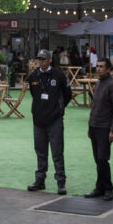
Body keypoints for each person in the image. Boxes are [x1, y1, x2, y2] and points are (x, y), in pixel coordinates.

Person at [26, 49, 72, 195]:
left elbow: (68, 94)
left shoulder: (59, 75)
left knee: (57, 153)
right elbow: (34, 94)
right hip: (38, 121)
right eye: (39, 59)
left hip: (55, 121)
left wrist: (58, 109)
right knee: (40, 152)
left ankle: (61, 183)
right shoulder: (33, 76)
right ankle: (40, 181)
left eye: (44, 59)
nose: (41, 61)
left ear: (50, 59)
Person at [85, 58, 113, 200]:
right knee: (98, 160)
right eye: (97, 66)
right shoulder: (99, 82)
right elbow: (95, 106)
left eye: (101, 66)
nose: (98, 68)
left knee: (102, 159)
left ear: (108, 69)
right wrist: (90, 126)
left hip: (105, 128)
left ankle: (108, 189)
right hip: (94, 126)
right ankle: (100, 187)